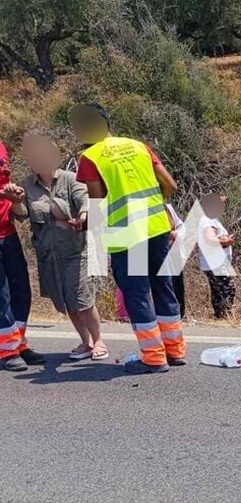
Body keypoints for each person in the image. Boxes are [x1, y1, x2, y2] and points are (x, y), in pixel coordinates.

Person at [71, 103, 186, 374]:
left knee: (137, 294)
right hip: (156, 226)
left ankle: (154, 358)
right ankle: (175, 351)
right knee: (162, 287)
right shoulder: (138, 146)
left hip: (126, 233)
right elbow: (170, 185)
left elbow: (97, 203)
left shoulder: (91, 157)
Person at [10, 133, 107, 361]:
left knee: (82, 299)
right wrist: (15, 201)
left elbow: (85, 201)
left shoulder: (71, 179)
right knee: (65, 300)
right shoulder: (27, 185)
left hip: (75, 251)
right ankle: (85, 342)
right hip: (48, 255)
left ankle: (99, 340)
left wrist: (83, 216)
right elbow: (22, 215)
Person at [0, 141, 41, 371]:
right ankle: (7, 350)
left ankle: (19, 343)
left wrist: (14, 196)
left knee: (21, 289)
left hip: (7, 231)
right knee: (1, 295)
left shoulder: (1, 147)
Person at [197, 193, 235, 319]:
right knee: (227, 289)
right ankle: (225, 315)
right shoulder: (207, 220)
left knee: (219, 290)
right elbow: (209, 239)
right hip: (215, 263)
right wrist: (226, 242)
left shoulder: (210, 219)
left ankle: (221, 315)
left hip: (215, 263)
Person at [165, 203, 187, 320]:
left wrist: (176, 234)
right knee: (165, 283)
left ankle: (180, 313)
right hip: (159, 250)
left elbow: (180, 225)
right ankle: (168, 313)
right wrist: (166, 235)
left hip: (174, 250)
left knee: (177, 282)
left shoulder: (168, 207)